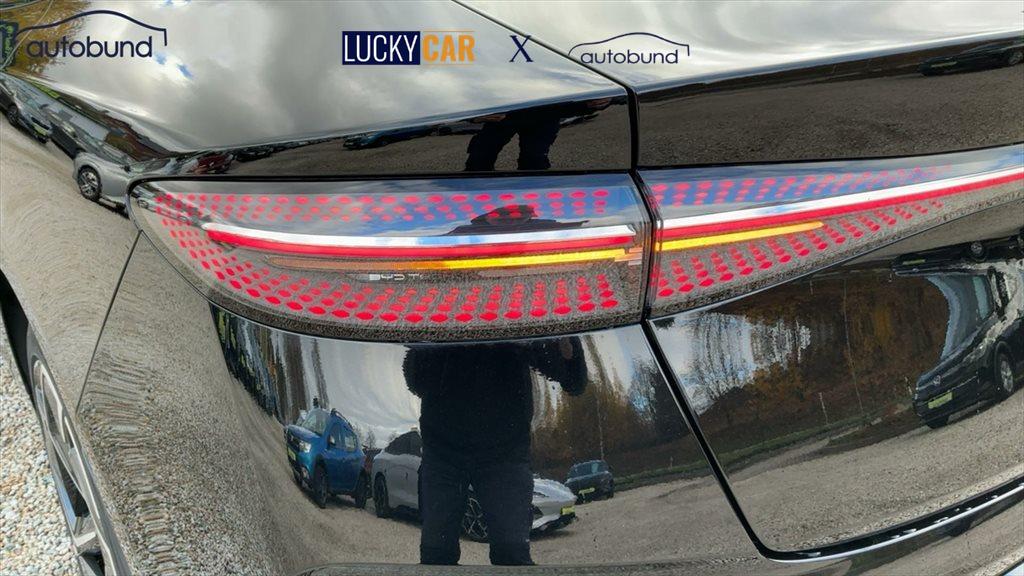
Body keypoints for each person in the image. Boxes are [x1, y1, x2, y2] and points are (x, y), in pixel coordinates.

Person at [403, 338, 586, 565]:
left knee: (511, 553)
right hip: (445, 450)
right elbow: (417, 380)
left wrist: (566, 350)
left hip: (503, 451)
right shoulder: (440, 320)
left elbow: (573, 379)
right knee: (437, 553)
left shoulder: (520, 320)